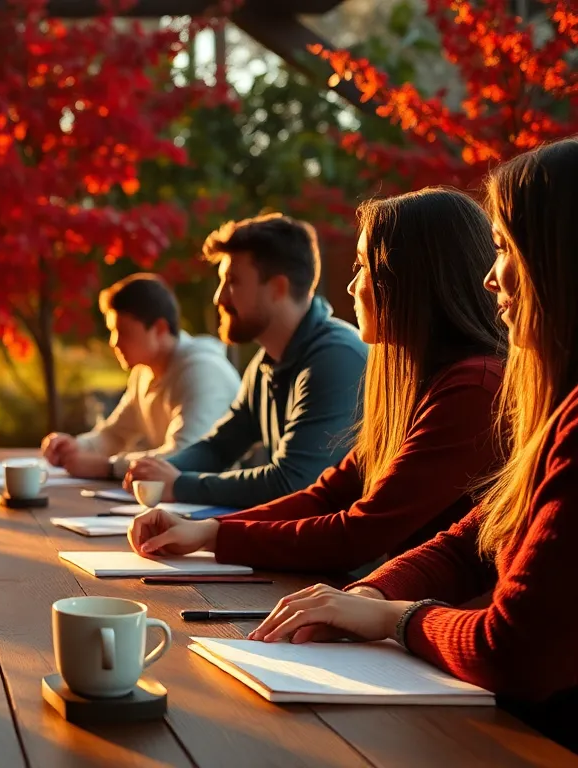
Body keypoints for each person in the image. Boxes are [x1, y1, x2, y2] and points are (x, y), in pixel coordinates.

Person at [248, 140, 578, 753]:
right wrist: (371, 594)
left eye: (504, 247)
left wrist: (392, 617)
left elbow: (515, 651)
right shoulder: (555, 407)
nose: (489, 274)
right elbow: (474, 541)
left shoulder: (480, 385)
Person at [130, 188, 506, 573]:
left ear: (411, 277)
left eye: (363, 266)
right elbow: (327, 495)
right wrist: (207, 529)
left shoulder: (473, 388)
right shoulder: (410, 382)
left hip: (430, 615)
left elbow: (359, 534)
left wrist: (214, 533)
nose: (351, 286)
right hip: (392, 604)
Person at [125, 213, 367, 508]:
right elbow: (219, 448)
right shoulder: (266, 366)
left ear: (278, 288)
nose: (219, 298)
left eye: (233, 282)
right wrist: (156, 472)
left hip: (348, 552)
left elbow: (292, 483)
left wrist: (178, 484)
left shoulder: (336, 359)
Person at [41, 273, 239, 479]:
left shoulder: (203, 372)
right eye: (112, 331)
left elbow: (185, 457)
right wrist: (74, 447)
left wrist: (108, 467)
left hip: (221, 503)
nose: (113, 342)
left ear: (160, 329)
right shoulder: (144, 372)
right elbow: (114, 435)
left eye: (123, 332)